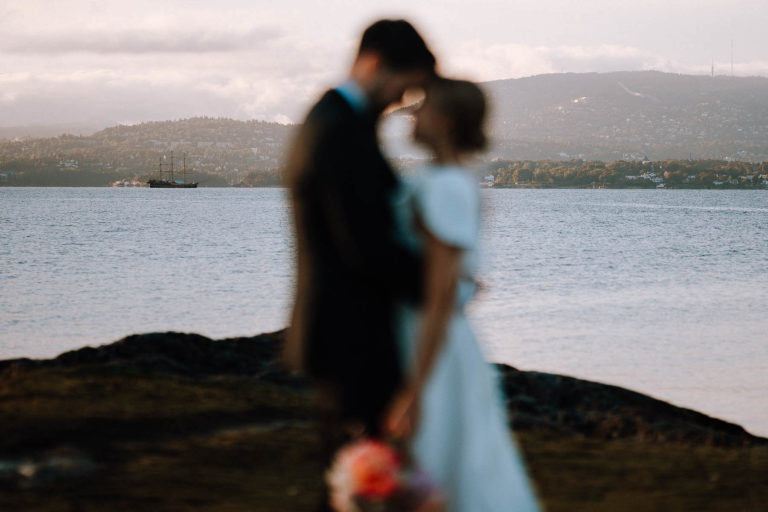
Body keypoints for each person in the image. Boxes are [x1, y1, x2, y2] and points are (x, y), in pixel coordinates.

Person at [282, 19, 436, 510]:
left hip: (355, 331)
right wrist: (440, 286)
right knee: (360, 484)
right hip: (349, 336)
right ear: (373, 64)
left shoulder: (341, 124)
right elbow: (362, 245)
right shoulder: (335, 132)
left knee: (361, 484)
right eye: (401, 86)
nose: (400, 100)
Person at [387, 78, 541, 511]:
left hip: (431, 345)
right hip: (428, 333)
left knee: (439, 467)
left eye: (422, 108)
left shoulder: (447, 185)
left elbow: (440, 292)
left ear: (446, 120)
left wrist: (413, 391)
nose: (411, 115)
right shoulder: (452, 179)